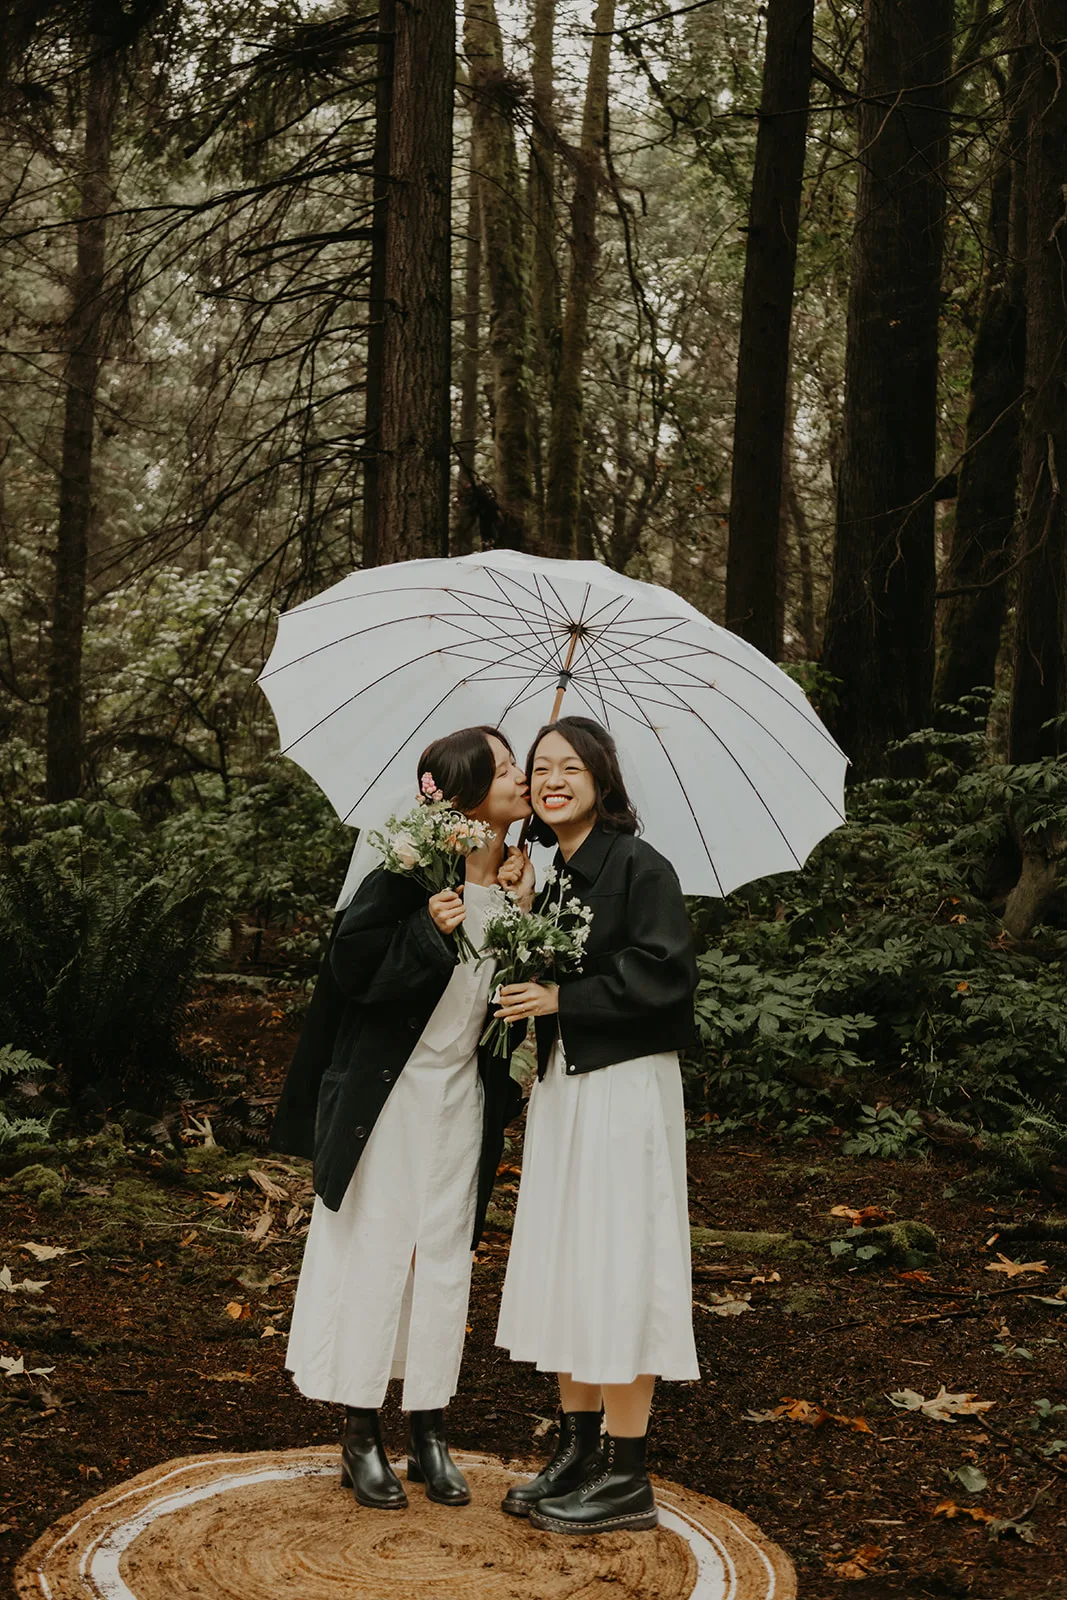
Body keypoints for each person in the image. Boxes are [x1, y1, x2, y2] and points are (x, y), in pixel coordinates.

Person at [273, 727, 532, 1510]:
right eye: (510, 766)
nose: (524, 776)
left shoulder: (529, 879)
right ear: (465, 791)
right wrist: (429, 929)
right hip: (387, 1099)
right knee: (377, 1252)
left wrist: (518, 915)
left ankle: (428, 1426)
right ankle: (359, 1432)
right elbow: (350, 971)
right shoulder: (410, 868)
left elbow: (515, 1008)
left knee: (445, 1258)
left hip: (463, 1098)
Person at [494, 715, 699, 1535]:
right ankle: (578, 1452)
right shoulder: (558, 874)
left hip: (621, 1091)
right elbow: (533, 976)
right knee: (571, 1261)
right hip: (566, 1087)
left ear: (602, 781)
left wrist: (560, 998)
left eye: (569, 767)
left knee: (618, 1262)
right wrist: (518, 908)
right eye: (540, 768)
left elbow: (665, 980)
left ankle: (626, 1474)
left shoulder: (641, 867)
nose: (550, 779)